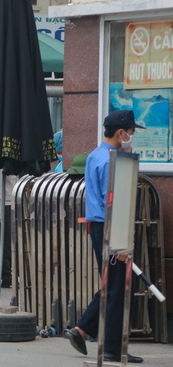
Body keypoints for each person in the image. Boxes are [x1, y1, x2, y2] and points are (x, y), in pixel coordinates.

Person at [66, 110, 144, 364]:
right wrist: (121, 241)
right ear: (120, 133)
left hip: (99, 227)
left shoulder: (94, 155)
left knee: (112, 286)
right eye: (130, 132)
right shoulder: (112, 161)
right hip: (110, 226)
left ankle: (91, 334)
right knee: (116, 287)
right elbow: (115, 203)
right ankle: (98, 338)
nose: (131, 136)